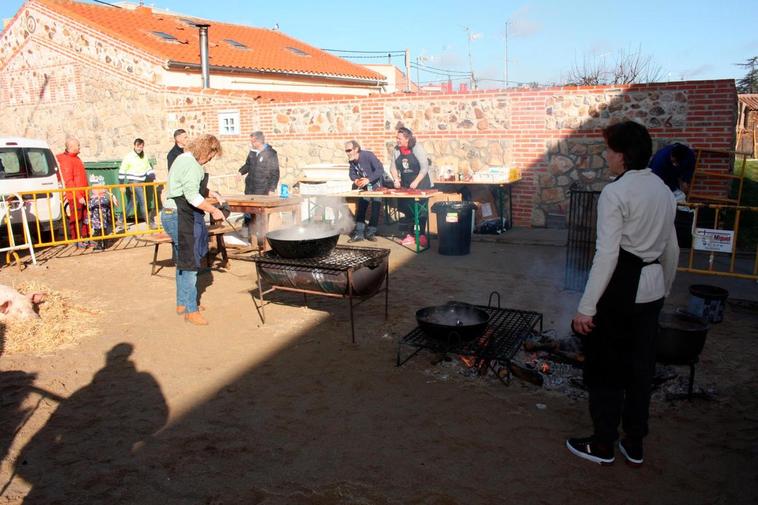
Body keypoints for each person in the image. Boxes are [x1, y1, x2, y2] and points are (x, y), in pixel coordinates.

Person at [567, 121, 680, 467]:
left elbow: (607, 254)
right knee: (640, 369)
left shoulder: (615, 193)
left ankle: (603, 445)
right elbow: (671, 248)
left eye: (610, 150)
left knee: (607, 368)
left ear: (623, 155)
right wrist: (665, 287)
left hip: (621, 289)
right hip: (652, 288)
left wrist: (586, 308)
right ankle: (634, 443)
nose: (607, 156)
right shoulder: (663, 190)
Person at [165, 134, 225, 326]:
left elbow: (185, 185)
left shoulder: (183, 159)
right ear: (205, 150)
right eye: (210, 156)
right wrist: (214, 210)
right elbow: (191, 196)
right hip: (180, 215)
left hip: (170, 214)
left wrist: (209, 192)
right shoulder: (192, 164)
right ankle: (191, 310)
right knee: (190, 263)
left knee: (182, 261)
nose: (209, 160)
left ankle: (182, 303)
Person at [389, 126, 431, 247]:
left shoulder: (417, 148)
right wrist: (396, 179)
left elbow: (424, 167)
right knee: (407, 209)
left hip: (421, 184)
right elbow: (393, 167)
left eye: (399, 138)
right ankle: (410, 235)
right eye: (397, 138)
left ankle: (422, 235)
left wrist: (416, 182)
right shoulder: (397, 150)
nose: (397, 140)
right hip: (406, 185)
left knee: (420, 210)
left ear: (407, 139)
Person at [346, 140, 384, 242]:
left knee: (375, 208)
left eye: (349, 150)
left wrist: (368, 179)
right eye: (346, 151)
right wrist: (356, 180)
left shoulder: (368, 156)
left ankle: (371, 232)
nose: (348, 153)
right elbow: (351, 174)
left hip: (376, 185)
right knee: (361, 208)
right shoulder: (352, 160)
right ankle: (359, 233)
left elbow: (380, 170)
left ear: (356, 149)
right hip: (364, 187)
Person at [56, 136, 91, 248]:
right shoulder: (67, 161)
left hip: (83, 194)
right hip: (75, 196)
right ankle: (76, 239)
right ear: (71, 147)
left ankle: (86, 237)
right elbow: (69, 181)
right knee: (76, 219)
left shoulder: (77, 158)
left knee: (86, 218)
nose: (80, 147)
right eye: (78, 145)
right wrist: (78, 196)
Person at [119, 138, 157, 228]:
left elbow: (147, 167)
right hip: (133, 182)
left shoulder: (144, 156)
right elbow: (122, 169)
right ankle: (150, 223)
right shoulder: (129, 156)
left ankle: (120, 219)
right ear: (134, 146)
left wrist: (152, 175)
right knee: (143, 202)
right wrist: (121, 184)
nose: (139, 148)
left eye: (141, 146)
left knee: (132, 202)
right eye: (138, 146)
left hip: (141, 182)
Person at [86, 174, 117, 251]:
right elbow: (110, 209)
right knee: (104, 231)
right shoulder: (106, 200)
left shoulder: (93, 201)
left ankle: (100, 245)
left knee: (98, 233)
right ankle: (105, 244)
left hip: (96, 221)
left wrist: (87, 220)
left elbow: (90, 211)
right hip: (104, 221)